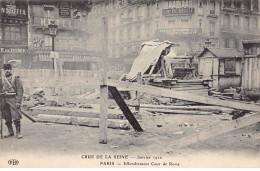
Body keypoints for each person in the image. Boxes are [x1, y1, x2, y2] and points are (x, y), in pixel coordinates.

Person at [1, 64, 24, 139]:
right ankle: (10, 132)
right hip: (4, 100)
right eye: (5, 69)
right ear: (3, 70)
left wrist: (18, 102)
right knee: (7, 117)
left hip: (13, 100)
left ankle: (18, 133)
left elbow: (20, 90)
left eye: (8, 69)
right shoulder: (1, 79)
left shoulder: (16, 79)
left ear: (11, 70)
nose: (7, 71)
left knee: (16, 117)